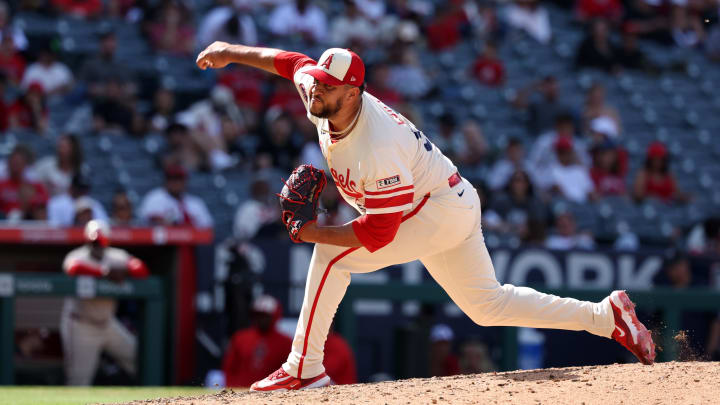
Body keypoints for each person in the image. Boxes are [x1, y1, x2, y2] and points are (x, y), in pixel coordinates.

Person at [196, 41, 656, 391]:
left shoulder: (377, 147)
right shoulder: (322, 93)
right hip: (450, 199)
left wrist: (312, 230)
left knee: (332, 256)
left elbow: (377, 234)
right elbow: (291, 62)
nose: (316, 87)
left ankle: (304, 368)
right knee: (487, 306)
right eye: (318, 81)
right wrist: (229, 52)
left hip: (433, 208)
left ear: (354, 92)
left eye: (328, 85)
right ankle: (606, 316)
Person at [60, 219, 149, 385]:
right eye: (94, 242)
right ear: (87, 240)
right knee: (78, 382)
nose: (98, 246)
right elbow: (73, 267)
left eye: (101, 242)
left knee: (141, 360)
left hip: (108, 324)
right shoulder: (77, 256)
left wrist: (126, 269)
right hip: (81, 325)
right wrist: (104, 272)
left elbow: (141, 269)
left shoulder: (116, 256)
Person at [222, 295, 292, 388]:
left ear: (275, 316)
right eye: (258, 315)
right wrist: (231, 386)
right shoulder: (240, 338)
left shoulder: (286, 342)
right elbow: (229, 367)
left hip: (271, 391)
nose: (261, 319)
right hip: (241, 390)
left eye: (265, 316)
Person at [138, 165, 213, 227]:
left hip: (193, 244)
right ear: (166, 181)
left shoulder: (195, 202)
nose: (176, 183)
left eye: (180, 179)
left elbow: (207, 226)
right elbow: (152, 222)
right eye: (172, 179)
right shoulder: (155, 198)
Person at [0, 144, 48, 218]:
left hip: (28, 220)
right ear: (8, 163)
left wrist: (31, 200)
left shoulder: (34, 185)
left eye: (18, 163)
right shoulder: (2, 184)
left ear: (25, 165)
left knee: (40, 212)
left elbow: (45, 202)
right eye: (13, 163)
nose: (15, 167)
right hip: (4, 220)